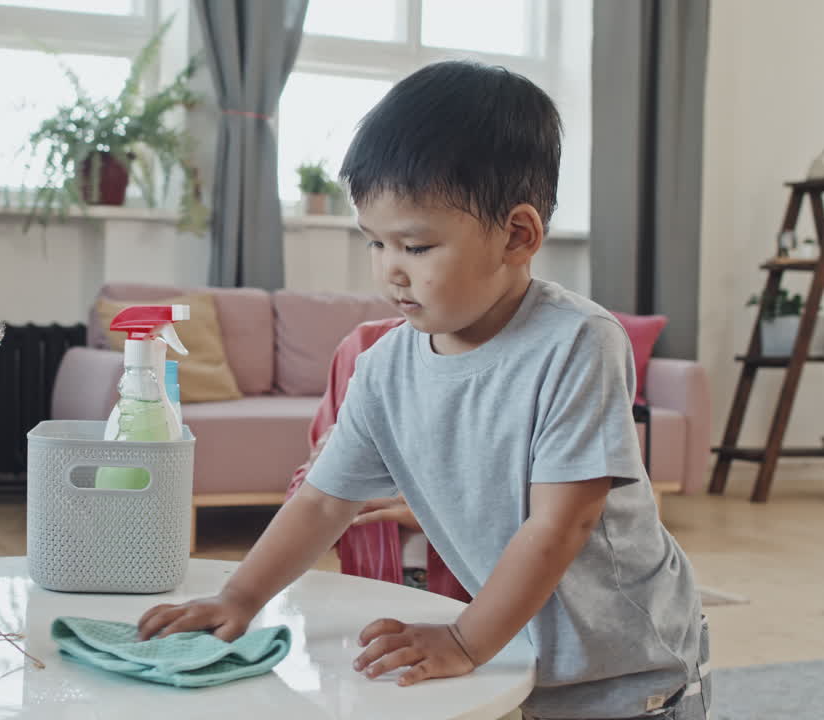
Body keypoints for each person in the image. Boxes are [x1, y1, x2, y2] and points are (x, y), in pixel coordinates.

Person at [139, 60, 709, 720]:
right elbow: (325, 502)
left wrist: (466, 640)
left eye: (415, 246)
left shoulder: (577, 343)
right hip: (523, 657)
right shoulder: (385, 366)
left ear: (518, 236)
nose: (390, 272)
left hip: (629, 665)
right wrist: (240, 597)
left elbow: (562, 523)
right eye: (376, 243)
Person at [284, 316, 471, 603]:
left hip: (473, 599)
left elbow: (540, 524)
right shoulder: (363, 344)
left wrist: (437, 517)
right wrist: (318, 469)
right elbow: (311, 507)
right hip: (371, 588)